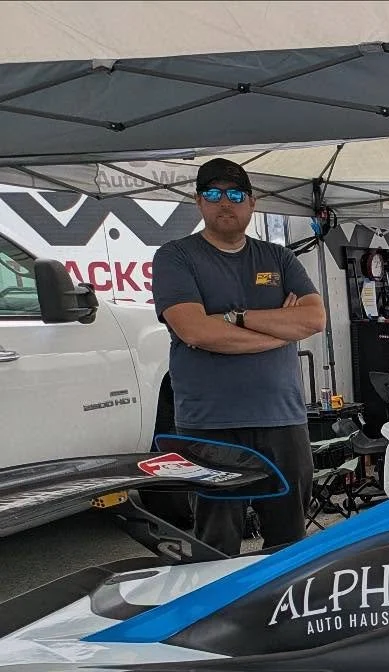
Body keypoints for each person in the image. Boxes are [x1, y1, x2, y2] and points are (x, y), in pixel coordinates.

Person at [152, 159, 327, 556]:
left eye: (235, 194)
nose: (224, 203)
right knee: (217, 545)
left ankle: (284, 616)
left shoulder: (278, 258)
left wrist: (236, 318)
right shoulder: (176, 256)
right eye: (213, 194)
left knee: (289, 544)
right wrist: (278, 332)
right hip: (211, 426)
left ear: (252, 202)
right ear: (198, 202)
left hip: (282, 420)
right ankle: (218, 615)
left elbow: (314, 318)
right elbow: (194, 330)